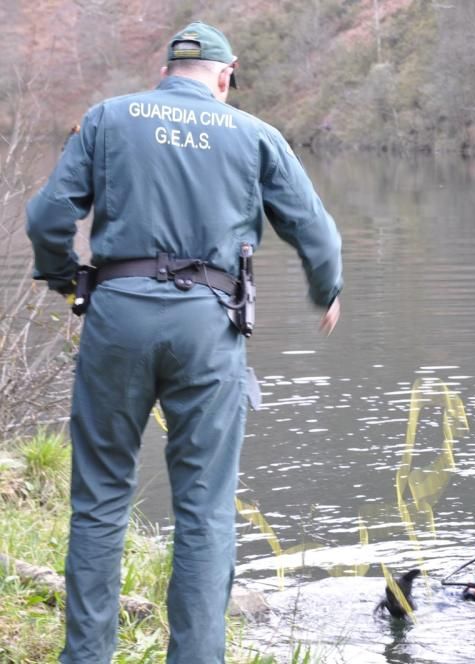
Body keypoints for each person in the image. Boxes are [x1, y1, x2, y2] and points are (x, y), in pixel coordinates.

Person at [25, 21, 343, 663]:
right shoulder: (255, 134)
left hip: (118, 315)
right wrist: (326, 287)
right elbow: (316, 230)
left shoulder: (109, 118)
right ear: (225, 77)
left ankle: (86, 658)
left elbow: (48, 217)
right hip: (208, 324)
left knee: (101, 499)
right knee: (204, 508)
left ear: (165, 72)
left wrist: (67, 281)